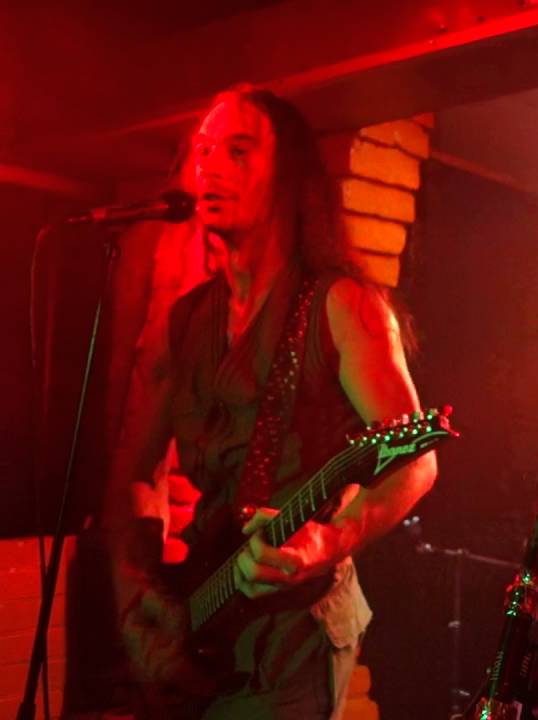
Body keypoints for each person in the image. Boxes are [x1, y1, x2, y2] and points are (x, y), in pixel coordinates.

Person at [105, 86, 438, 719]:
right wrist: (138, 598)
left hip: (293, 632)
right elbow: (136, 474)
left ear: (288, 174)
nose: (210, 167)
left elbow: (417, 462)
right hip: (199, 607)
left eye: (237, 150)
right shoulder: (184, 323)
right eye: (203, 151)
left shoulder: (345, 307)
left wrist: (331, 540)